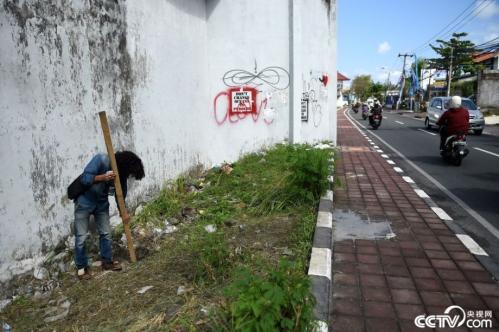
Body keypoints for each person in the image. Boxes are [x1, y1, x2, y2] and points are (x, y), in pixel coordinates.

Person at [74, 151, 145, 280]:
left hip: (101, 203)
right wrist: (103, 177)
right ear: (125, 165)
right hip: (84, 202)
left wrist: (123, 212)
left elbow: (121, 194)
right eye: (129, 173)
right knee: (81, 237)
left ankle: (107, 262)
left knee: (106, 233)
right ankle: (81, 269)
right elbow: (84, 178)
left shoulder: (121, 173)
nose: (128, 176)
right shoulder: (101, 160)